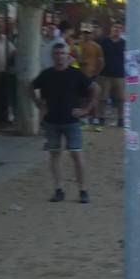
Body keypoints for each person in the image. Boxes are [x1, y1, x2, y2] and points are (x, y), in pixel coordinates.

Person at [31, 41, 94, 203]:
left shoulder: (76, 74)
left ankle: (83, 190)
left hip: (71, 121)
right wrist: (38, 104)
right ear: (53, 56)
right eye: (57, 54)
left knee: (77, 154)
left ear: (68, 56)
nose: (59, 57)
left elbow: (95, 89)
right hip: (52, 121)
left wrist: (86, 109)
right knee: (54, 154)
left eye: (62, 54)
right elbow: (30, 86)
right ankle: (59, 189)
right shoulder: (47, 74)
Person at [97, 21, 125, 127]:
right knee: (103, 98)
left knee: (121, 99)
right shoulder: (103, 41)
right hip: (105, 74)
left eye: (119, 28)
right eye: (114, 27)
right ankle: (101, 117)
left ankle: (121, 119)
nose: (116, 30)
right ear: (111, 29)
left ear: (121, 30)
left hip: (120, 74)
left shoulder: (124, 43)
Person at [76, 25, 105, 128]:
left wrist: (97, 73)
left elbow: (101, 61)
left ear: (91, 34)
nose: (86, 35)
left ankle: (96, 118)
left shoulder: (97, 47)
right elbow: (76, 59)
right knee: (82, 98)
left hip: (91, 75)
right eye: (84, 33)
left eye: (88, 33)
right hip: (79, 75)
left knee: (93, 96)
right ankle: (84, 118)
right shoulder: (77, 45)